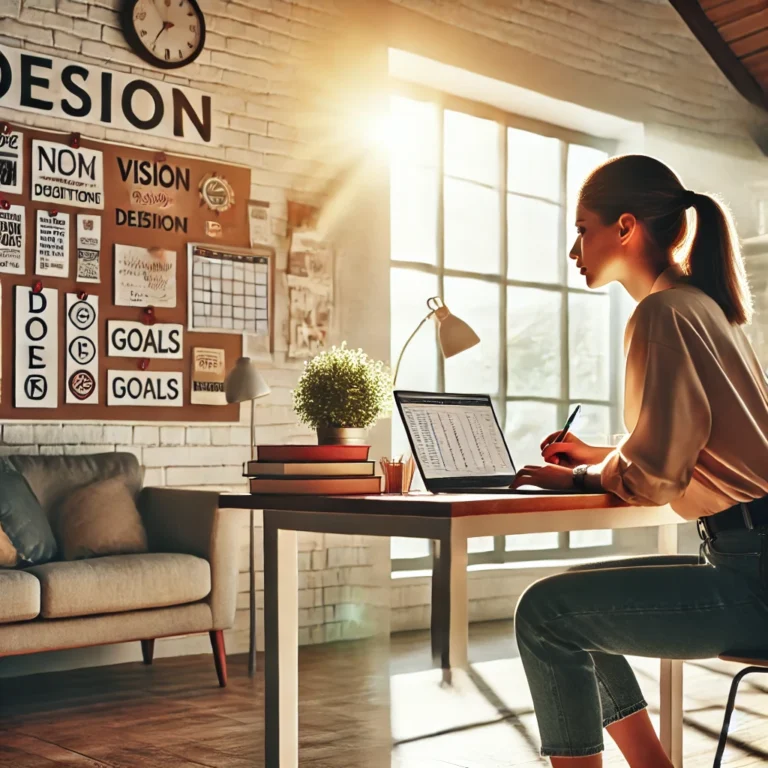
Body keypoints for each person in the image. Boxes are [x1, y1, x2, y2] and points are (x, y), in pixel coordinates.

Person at [509, 154, 768, 767]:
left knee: (544, 614)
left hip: (753, 578)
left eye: (582, 229)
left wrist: (574, 475)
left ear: (625, 227)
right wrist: (597, 455)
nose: (575, 248)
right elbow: (698, 446)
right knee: (575, 599)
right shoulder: (703, 305)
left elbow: (653, 479)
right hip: (750, 554)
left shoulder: (662, 312)